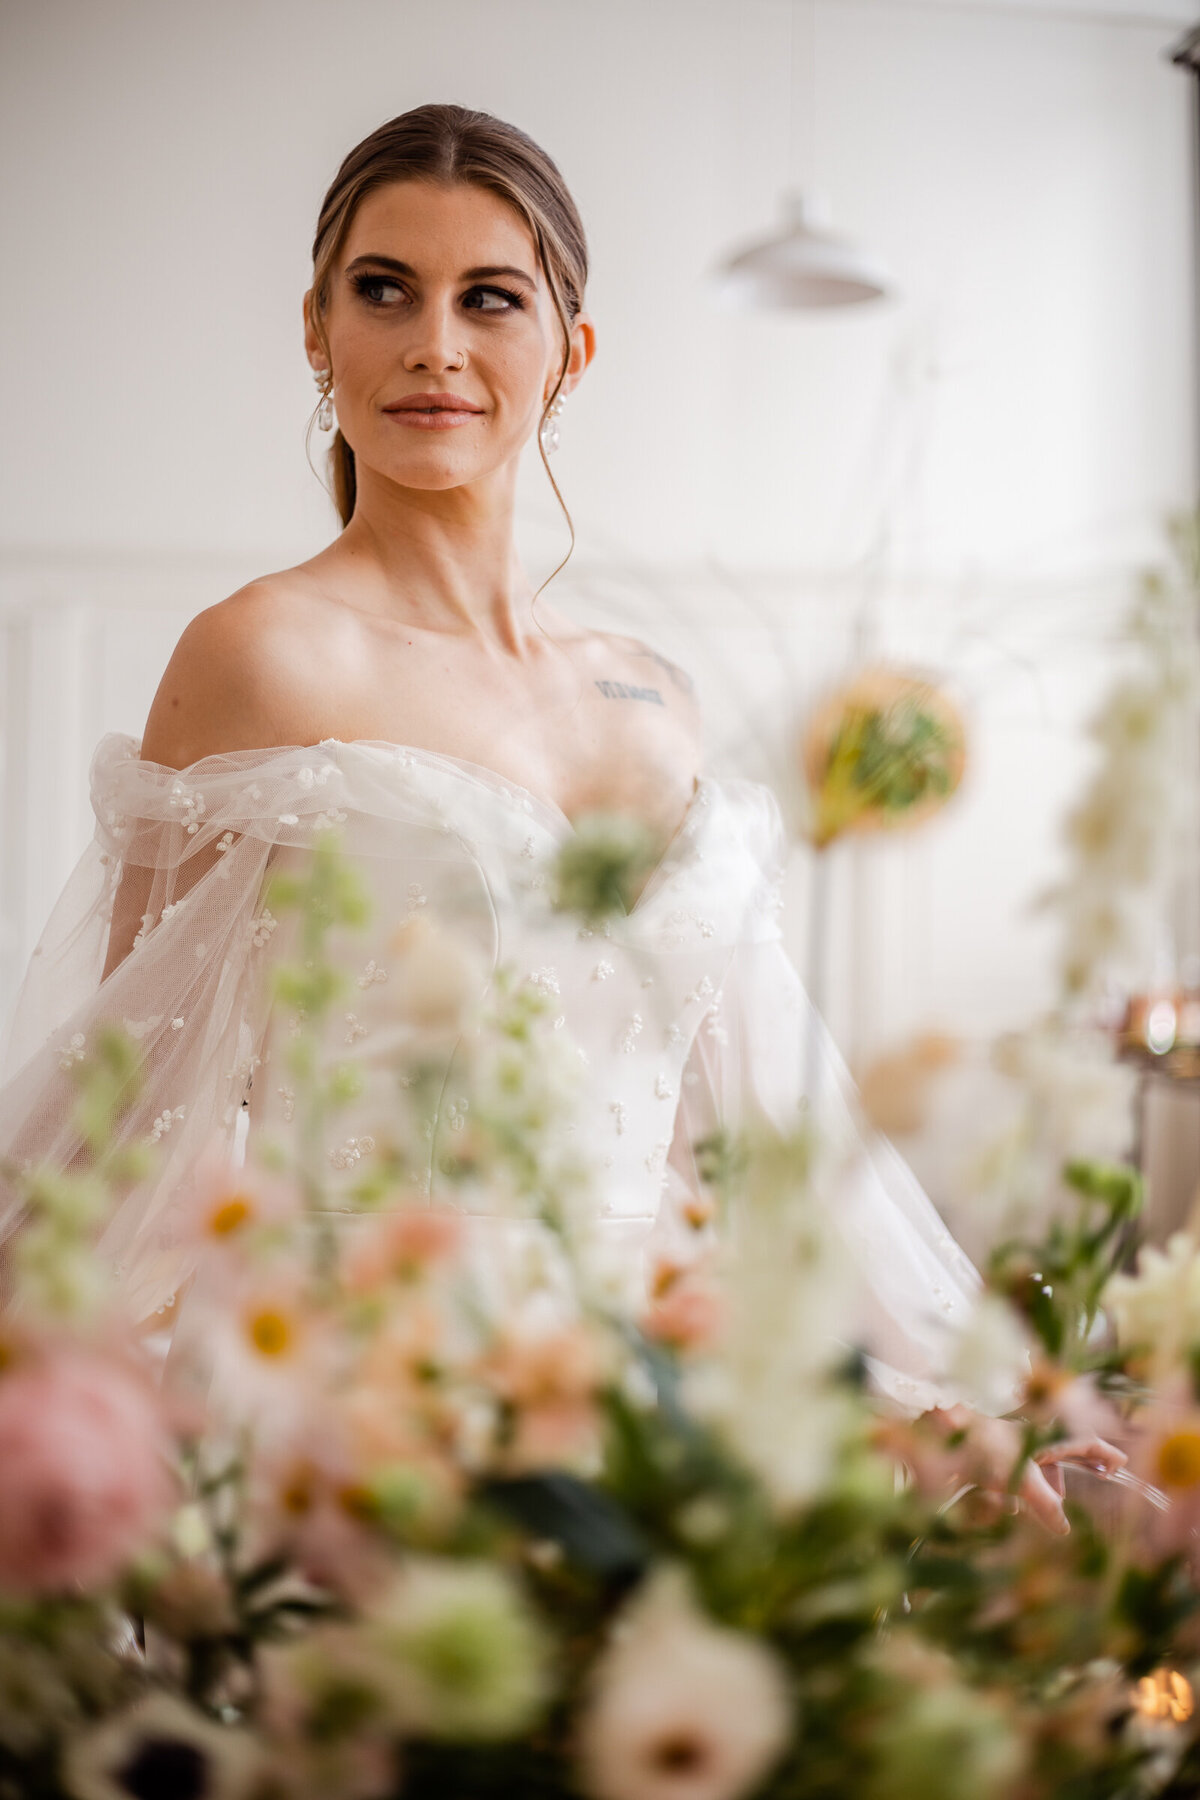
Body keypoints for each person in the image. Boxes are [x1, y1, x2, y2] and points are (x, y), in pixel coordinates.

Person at [0, 103, 1118, 1530]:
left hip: (638, 1420)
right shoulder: (259, 659)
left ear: (570, 350)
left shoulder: (647, 693)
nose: (435, 347)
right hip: (351, 1422)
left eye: (491, 299)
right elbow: (129, 1107)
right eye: (384, 289)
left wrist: (963, 1400)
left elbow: (762, 1127)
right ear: (316, 328)